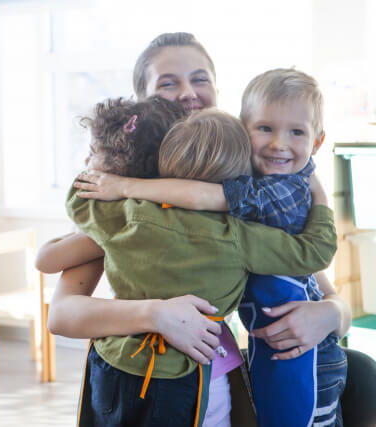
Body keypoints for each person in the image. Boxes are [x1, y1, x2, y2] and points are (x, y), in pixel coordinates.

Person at [41, 32, 376, 427]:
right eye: (168, 83)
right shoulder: (116, 188)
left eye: (199, 79)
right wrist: (156, 314)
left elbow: (330, 293)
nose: (187, 93)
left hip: (222, 377)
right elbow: (61, 314)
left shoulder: (251, 185)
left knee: (362, 374)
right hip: (144, 384)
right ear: (143, 99)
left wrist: (329, 313)